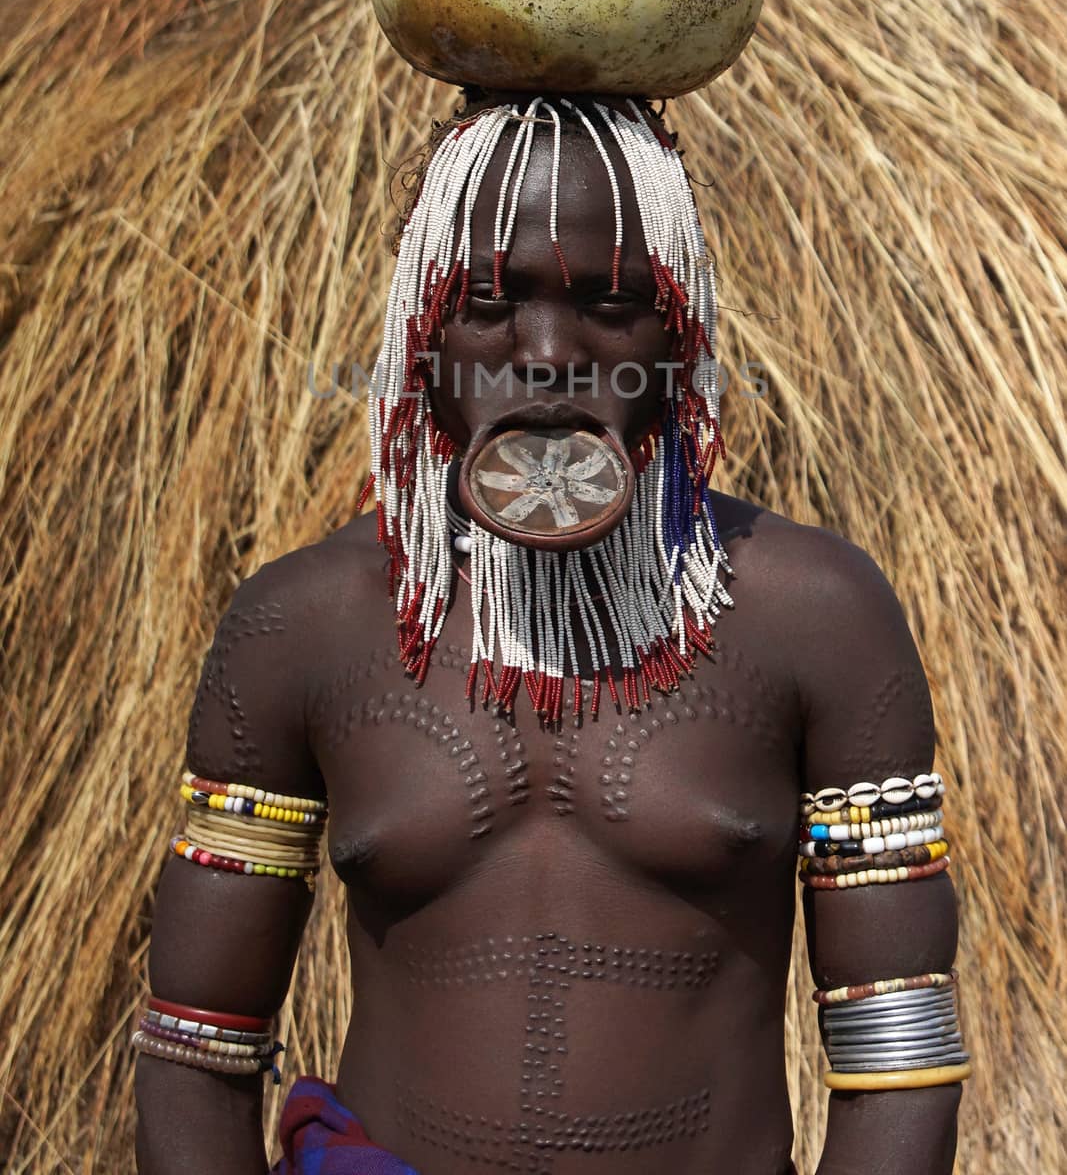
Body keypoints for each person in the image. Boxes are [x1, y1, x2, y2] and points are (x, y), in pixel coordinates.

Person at [134, 89, 968, 1175]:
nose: (545, 352)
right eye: (488, 299)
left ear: (679, 333)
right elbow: (196, 1041)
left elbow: (896, 1048)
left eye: (611, 303)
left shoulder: (811, 616)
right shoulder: (305, 627)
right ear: (419, 331)